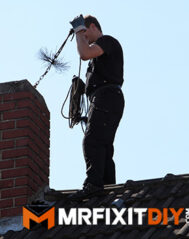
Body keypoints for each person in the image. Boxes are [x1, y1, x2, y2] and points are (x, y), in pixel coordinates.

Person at [67, 14, 125, 200]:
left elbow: (84, 54)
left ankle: (94, 184)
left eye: (85, 32)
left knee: (92, 141)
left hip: (107, 97)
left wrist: (78, 32)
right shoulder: (98, 58)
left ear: (92, 27)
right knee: (104, 145)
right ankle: (108, 188)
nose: (83, 38)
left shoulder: (107, 41)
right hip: (105, 98)